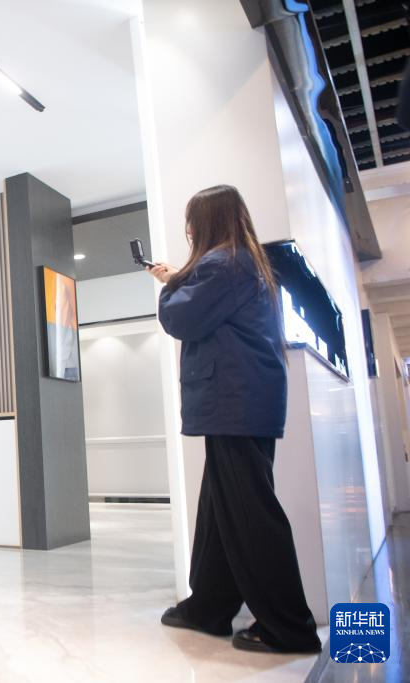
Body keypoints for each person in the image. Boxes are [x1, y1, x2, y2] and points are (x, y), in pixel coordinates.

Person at [147, 185, 321, 654]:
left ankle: (289, 627)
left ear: (207, 221)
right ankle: (208, 607)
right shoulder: (242, 262)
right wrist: (182, 278)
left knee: (249, 512)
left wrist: (171, 285)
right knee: (221, 509)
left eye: (191, 221)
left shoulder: (224, 263)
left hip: (233, 403)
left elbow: (181, 320)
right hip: (243, 401)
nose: (188, 230)